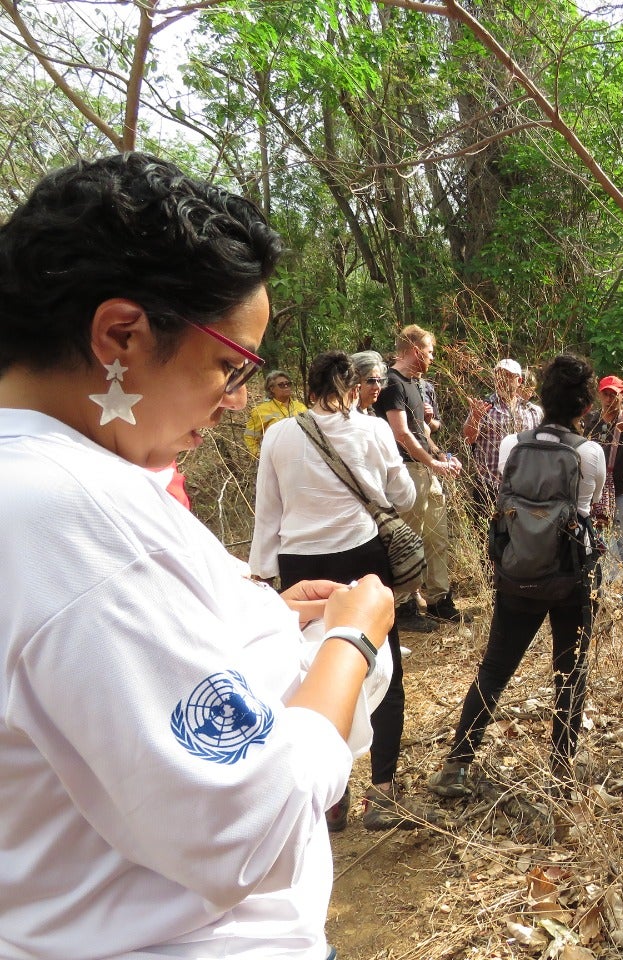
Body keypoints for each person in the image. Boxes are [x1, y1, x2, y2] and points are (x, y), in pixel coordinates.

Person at [0, 154, 395, 958]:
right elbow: (250, 821)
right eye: (228, 363)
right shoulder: (73, 514)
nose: (238, 397)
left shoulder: (65, 483)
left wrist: (253, 622)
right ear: (121, 336)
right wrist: (350, 641)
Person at [250, 351, 432, 832]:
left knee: (311, 668)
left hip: (300, 567)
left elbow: (267, 514)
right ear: (352, 389)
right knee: (380, 665)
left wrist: (263, 581)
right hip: (363, 560)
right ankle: (384, 793)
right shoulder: (372, 429)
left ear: (308, 390)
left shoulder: (279, 434)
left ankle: (330, 795)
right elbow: (405, 497)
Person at [429, 354, 605, 797]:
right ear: (585, 407)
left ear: (541, 398)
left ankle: (457, 765)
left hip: (517, 570)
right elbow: (589, 509)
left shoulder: (512, 445)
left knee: (494, 668)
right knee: (570, 670)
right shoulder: (590, 453)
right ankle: (561, 771)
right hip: (570, 574)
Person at [374, 325, 464, 632]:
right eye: (430, 351)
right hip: (405, 471)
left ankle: (439, 600)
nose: (432, 357)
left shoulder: (416, 384)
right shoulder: (392, 383)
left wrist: (441, 458)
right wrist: (430, 463)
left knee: (437, 537)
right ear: (415, 350)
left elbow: (422, 433)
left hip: (427, 469)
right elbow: (400, 433)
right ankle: (403, 606)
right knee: (406, 540)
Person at [584, 374, 623, 613]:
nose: (609, 398)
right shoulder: (591, 419)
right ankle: (602, 591)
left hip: (621, 492)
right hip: (594, 494)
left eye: (613, 393)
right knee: (598, 544)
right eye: (605, 393)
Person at [463, 358, 540, 514]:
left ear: (519, 380)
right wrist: (475, 418)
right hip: (489, 487)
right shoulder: (485, 407)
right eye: (498, 375)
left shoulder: (533, 411)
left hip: (523, 488)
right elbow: (468, 439)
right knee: (486, 537)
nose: (502, 380)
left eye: (508, 376)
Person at [243, 368, 305, 456]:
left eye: (288, 384)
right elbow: (249, 436)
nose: (286, 386)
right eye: (281, 385)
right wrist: (259, 456)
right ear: (272, 389)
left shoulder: (301, 407)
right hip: (276, 459)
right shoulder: (261, 411)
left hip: (301, 457)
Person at [350, 350, 386, 415]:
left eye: (379, 381)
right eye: (371, 381)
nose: (377, 387)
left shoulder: (371, 413)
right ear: (354, 382)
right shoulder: (345, 416)